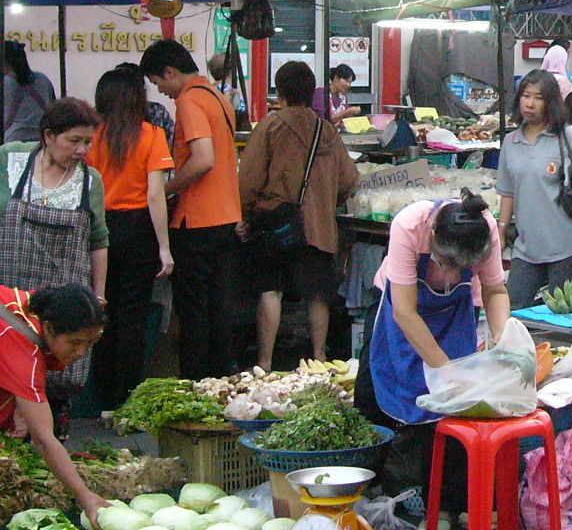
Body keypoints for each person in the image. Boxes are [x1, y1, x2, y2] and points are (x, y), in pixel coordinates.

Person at [352, 191, 511, 513]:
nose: (453, 274)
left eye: (463, 266)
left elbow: (495, 290)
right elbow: (405, 313)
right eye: (447, 263)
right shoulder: (409, 224)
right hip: (401, 310)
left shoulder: (486, 228)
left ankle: (450, 505)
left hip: (455, 312)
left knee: (455, 410)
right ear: (434, 237)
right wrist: (447, 371)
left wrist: (504, 342)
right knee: (372, 397)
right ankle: (380, 496)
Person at [238, 62, 359, 370]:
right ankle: (319, 359)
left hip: (275, 224)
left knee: (271, 290)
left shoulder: (270, 125)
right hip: (318, 227)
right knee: (317, 292)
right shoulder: (326, 129)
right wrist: (325, 202)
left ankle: (264, 363)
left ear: (280, 92)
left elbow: (248, 179)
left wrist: (247, 213)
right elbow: (349, 179)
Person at [0, 98, 107, 437]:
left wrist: (98, 298)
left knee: (60, 373)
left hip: (65, 303)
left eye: (88, 142)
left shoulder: (90, 181)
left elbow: (98, 240)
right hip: (13, 299)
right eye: (74, 140)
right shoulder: (10, 160)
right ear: (48, 135)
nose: (82, 150)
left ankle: (51, 448)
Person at [140, 39, 241, 380]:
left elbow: (203, 159)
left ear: (170, 72)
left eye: (158, 83)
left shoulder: (189, 100)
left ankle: (196, 383)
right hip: (227, 218)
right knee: (220, 308)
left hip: (197, 220)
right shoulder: (217, 96)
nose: (162, 91)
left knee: (194, 311)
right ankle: (220, 381)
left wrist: (166, 189)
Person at [85, 66, 174, 411]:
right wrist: (164, 247)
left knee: (101, 308)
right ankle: (125, 399)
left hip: (98, 230)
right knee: (134, 316)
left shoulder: (92, 136)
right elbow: (155, 195)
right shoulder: (151, 134)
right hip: (139, 231)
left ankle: (101, 396)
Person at [497, 70, 572, 311]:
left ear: (550, 103)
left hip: (568, 246)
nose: (530, 104)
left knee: (564, 312)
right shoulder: (510, 142)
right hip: (526, 247)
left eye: (538, 98)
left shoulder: (567, 136)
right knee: (514, 308)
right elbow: (507, 192)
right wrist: (500, 231)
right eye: (525, 96)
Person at [0, 284, 109, 526]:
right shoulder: (21, 347)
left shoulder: (41, 305)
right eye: (75, 342)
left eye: (90, 343)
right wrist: (86, 498)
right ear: (48, 328)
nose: (81, 352)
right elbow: (43, 439)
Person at [3, 40, 56, 144]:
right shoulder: (43, 79)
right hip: (42, 142)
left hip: (13, 142)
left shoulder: (5, 83)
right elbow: (54, 109)